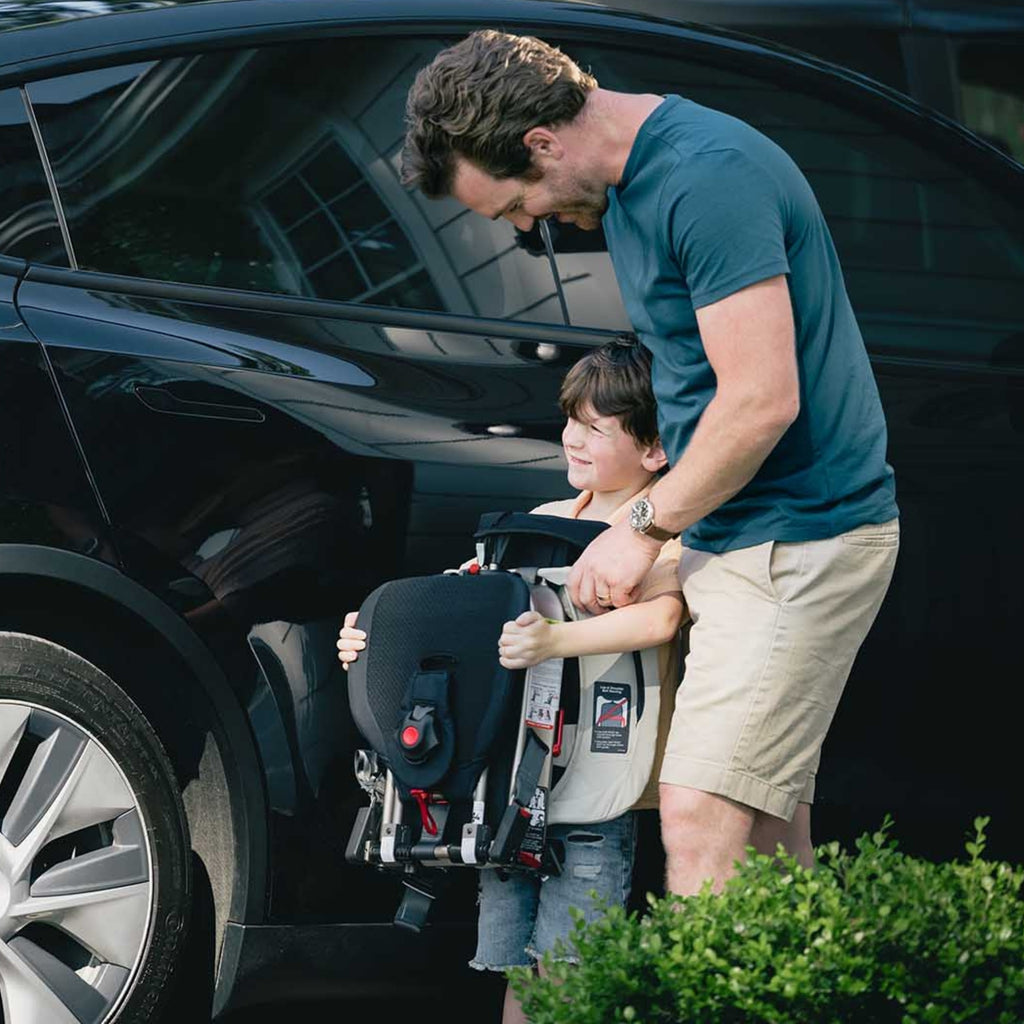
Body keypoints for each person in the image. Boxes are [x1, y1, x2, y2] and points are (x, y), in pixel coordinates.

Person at [399, 30, 899, 898]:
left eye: (514, 203)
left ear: (542, 143)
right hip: (736, 530)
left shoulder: (707, 179)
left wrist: (642, 527)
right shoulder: (625, 189)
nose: (526, 229)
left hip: (797, 536)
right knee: (770, 834)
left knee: (702, 813)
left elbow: (761, 400)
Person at [338, 339, 686, 1024]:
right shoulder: (537, 524)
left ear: (655, 451)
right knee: (516, 961)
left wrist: (558, 638)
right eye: (570, 422)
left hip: (596, 790)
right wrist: (376, 638)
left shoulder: (660, 534)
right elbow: (456, 612)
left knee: (573, 963)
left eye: (595, 428)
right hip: (508, 790)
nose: (573, 439)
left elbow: (660, 620)